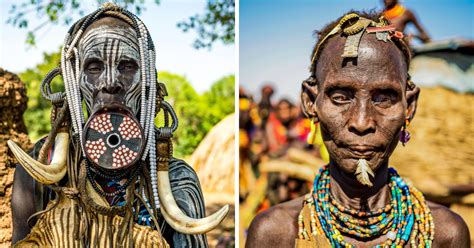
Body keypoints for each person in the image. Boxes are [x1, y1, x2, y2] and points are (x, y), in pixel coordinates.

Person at [9, 4, 228, 247]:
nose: (110, 82)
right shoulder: (40, 165)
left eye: (126, 67)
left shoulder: (177, 179)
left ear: (147, 80)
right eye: (93, 68)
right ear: (74, 81)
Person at [246, 12, 469, 247]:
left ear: (409, 107)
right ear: (310, 102)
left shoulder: (446, 234)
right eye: (341, 97)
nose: (362, 122)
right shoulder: (274, 235)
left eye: (383, 98)